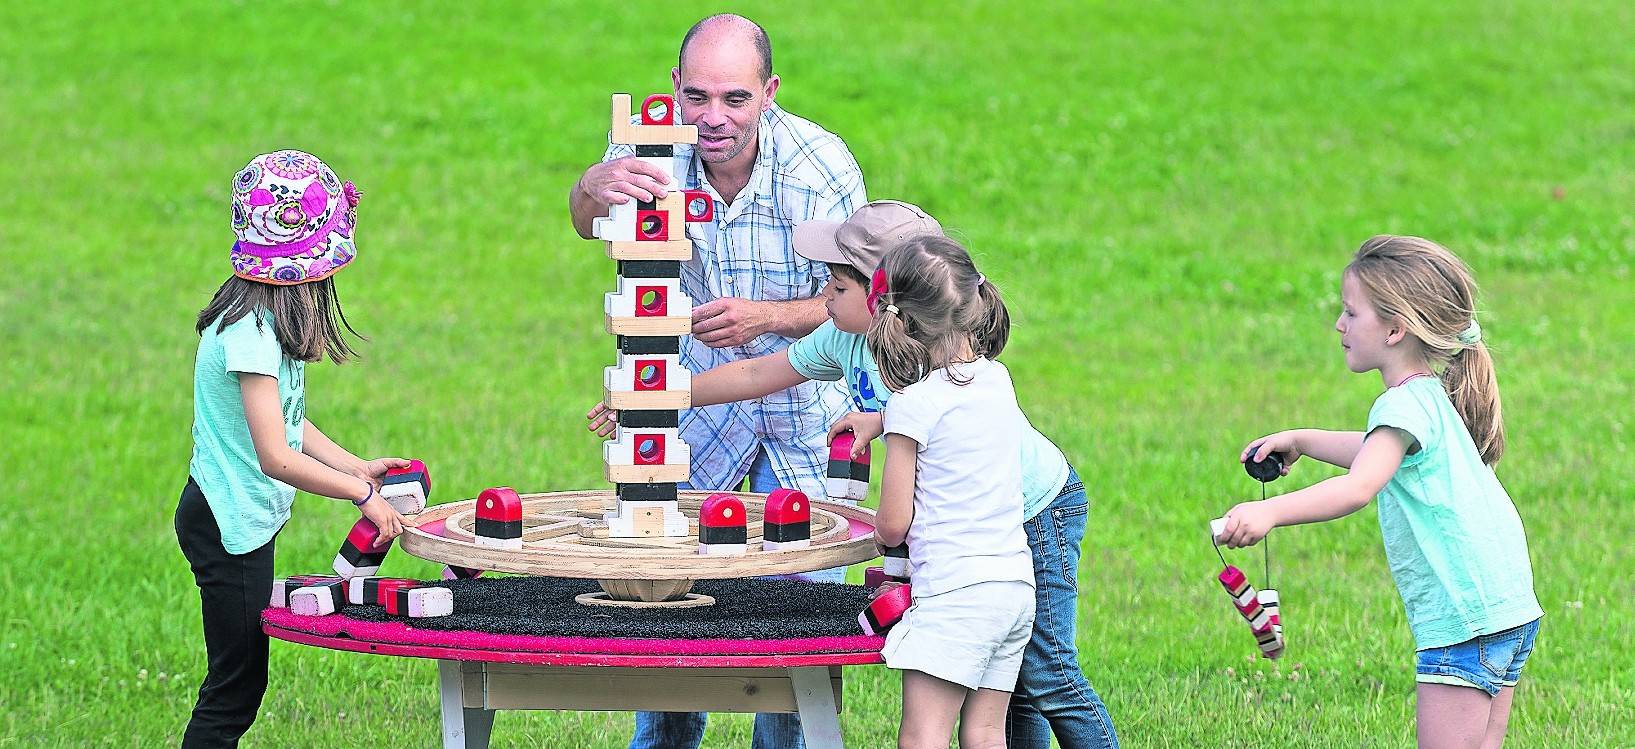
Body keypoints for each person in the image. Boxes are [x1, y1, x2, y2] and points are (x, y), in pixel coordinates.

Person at [588, 200, 1120, 747]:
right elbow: (756, 371)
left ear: (884, 296)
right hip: (976, 534)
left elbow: (921, 463)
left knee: (1047, 675)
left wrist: (887, 440)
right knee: (1001, 693)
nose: (823, 300)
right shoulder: (849, 340)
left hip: (1034, 507)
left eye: (836, 288)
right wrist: (656, 395)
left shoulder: (929, 371)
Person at [569, 14, 866, 749]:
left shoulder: (820, 169)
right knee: (665, 616)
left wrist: (769, 314)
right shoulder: (645, 151)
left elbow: (860, 306)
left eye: (733, 98)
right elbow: (586, 222)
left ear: (768, 93)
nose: (712, 118)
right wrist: (588, 184)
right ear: (673, 88)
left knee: (791, 641)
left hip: (798, 413)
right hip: (688, 423)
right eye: (695, 96)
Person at [1215, 235, 1543, 749]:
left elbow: (1361, 485)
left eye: (1350, 313)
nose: (1339, 326)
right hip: (1506, 607)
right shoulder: (1430, 393)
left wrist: (1270, 513)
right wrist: (1301, 440)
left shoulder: (1402, 406)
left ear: (1395, 329)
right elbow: (1376, 452)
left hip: (1462, 622)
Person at [176, 149, 409, 748]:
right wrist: (361, 495)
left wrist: (354, 465)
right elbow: (274, 456)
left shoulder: (257, 317)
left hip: (238, 516)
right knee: (234, 690)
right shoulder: (252, 333)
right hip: (228, 524)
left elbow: (289, 424)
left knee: (240, 683)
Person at [866, 233, 1034, 749]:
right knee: (985, 733)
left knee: (923, 734)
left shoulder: (912, 405)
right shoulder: (997, 380)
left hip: (957, 595)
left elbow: (893, 524)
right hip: (1011, 586)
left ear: (902, 320)